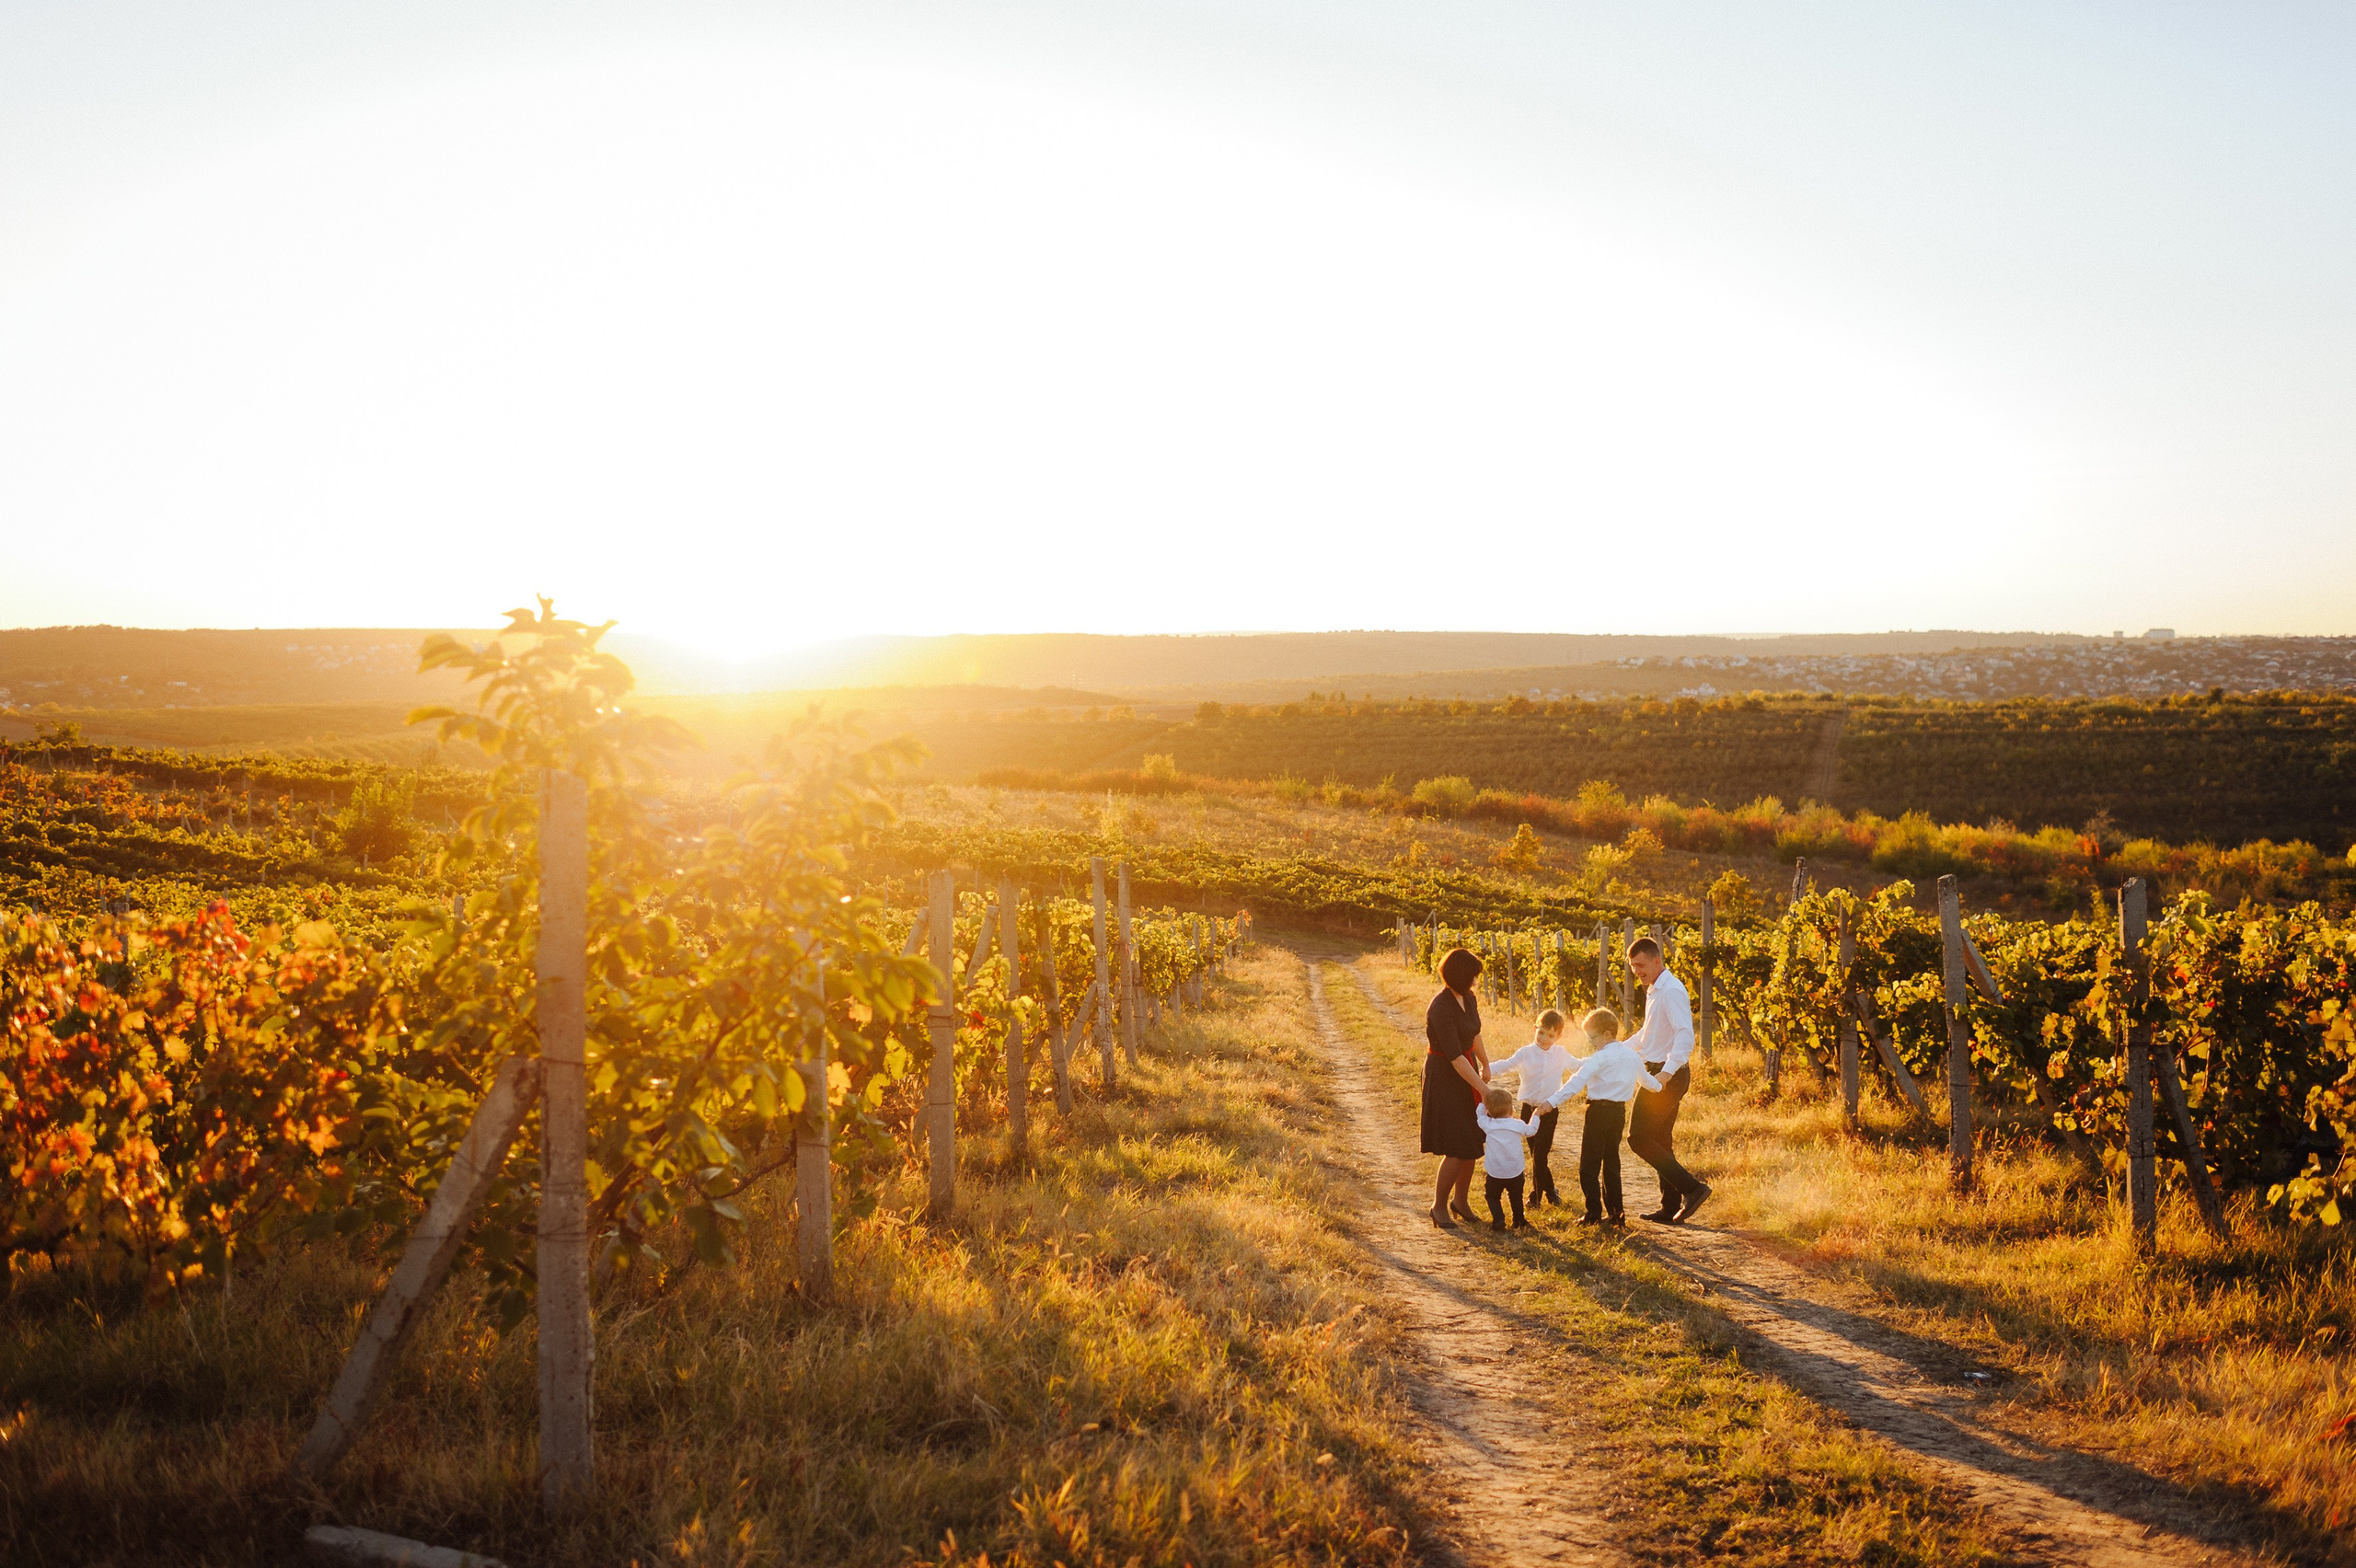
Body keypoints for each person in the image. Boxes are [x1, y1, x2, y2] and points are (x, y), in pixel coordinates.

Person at [1543, 1007, 1660, 1226]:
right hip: (1618, 1114)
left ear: (1607, 1034)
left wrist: (1551, 1102)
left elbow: (1576, 1082)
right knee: (1611, 1163)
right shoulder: (1632, 1056)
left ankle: (1593, 1213)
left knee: (1589, 1165)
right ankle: (1617, 1214)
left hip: (1598, 1113)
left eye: (1592, 1037)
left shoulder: (1600, 1057)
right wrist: (1663, 1084)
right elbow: (1648, 1082)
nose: (1591, 1042)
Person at [1623, 936, 1711, 1223]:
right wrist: (1614, 1050)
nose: (1636, 970)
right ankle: (1670, 1207)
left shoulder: (1671, 990)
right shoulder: (1655, 989)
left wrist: (1665, 1073)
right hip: (1660, 1071)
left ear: (1656, 961)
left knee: (1638, 1138)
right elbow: (1647, 1036)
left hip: (1666, 1075)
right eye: (1632, 966)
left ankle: (1693, 1189)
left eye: (1640, 965)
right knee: (1661, 1139)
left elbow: (1685, 1035)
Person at [1422, 946, 1491, 1228]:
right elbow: (1454, 1057)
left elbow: (1474, 1035)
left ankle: (1460, 1202)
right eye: (1473, 976)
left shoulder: (1468, 998)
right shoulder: (1440, 1007)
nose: (1476, 982)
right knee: (1457, 1144)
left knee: (1473, 1142)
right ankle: (1439, 1206)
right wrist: (1484, 1090)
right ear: (1461, 975)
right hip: (1446, 1076)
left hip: (1468, 1069)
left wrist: (1486, 1065)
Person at [1495, 1009, 1575, 1206]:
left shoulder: (1561, 1054)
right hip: (1528, 1110)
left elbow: (1580, 1066)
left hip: (1548, 1110)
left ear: (1558, 1036)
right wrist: (1486, 1069)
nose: (1544, 1039)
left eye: (1550, 1035)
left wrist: (1603, 1062)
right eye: (1541, 1032)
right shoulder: (1526, 1053)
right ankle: (1551, 1190)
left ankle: (1535, 1198)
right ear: (1534, 1029)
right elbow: (1507, 1065)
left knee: (1540, 1154)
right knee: (1535, 1154)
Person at [1475, 1084, 1544, 1229]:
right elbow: (1531, 1130)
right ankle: (1519, 1220)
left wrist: (1482, 1102)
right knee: (1516, 1196)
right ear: (1511, 1110)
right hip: (1515, 1171)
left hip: (1495, 1172)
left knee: (1492, 1196)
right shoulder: (1517, 1124)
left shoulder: (1487, 1124)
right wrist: (1536, 1115)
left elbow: (1479, 1115)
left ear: (1489, 1111)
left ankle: (1499, 1219)